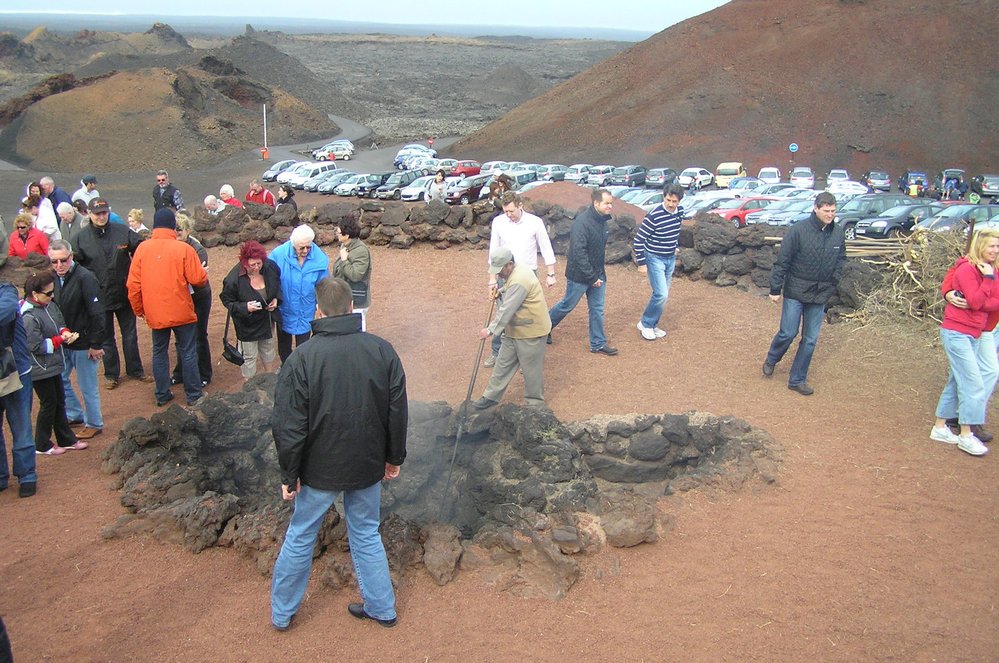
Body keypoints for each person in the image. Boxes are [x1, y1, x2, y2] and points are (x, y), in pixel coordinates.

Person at [271, 277, 408, 631]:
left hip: (319, 469)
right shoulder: (382, 350)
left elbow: (290, 424)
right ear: (351, 308)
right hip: (366, 463)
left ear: (319, 311)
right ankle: (383, 608)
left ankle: (282, 614)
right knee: (365, 531)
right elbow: (397, 410)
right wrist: (394, 457)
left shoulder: (301, 358)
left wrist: (290, 474)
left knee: (302, 533)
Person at [762, 191, 845, 395]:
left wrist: (833, 281)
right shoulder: (798, 231)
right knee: (788, 332)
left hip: (821, 293)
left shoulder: (838, 233)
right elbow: (783, 261)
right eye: (826, 210)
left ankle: (797, 379)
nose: (830, 214)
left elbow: (842, 259)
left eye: (833, 211)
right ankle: (773, 357)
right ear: (816, 208)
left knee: (810, 339)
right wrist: (775, 288)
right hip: (796, 290)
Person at [126, 208, 209, 408]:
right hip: (181, 310)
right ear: (173, 226)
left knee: (159, 352)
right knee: (188, 351)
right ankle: (194, 394)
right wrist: (203, 273)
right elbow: (198, 279)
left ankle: (162, 393)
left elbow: (133, 286)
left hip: (156, 313)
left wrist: (140, 310)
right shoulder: (184, 249)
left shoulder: (143, 249)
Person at [929, 229, 999, 456]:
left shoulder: (990, 269)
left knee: (958, 380)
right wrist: (986, 280)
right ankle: (966, 433)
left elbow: (980, 302)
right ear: (980, 246)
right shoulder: (969, 268)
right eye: (992, 246)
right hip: (959, 331)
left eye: (997, 247)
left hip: (977, 330)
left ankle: (940, 427)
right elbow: (977, 300)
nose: (995, 251)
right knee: (973, 382)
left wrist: (980, 298)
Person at [75, 197, 150, 390]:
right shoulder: (81, 238)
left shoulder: (122, 231)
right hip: (99, 296)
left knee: (130, 334)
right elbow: (75, 266)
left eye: (104, 213)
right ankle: (111, 374)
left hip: (124, 293)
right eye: (97, 213)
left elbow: (142, 248)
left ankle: (135, 370)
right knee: (106, 337)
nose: (101, 217)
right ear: (90, 214)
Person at [472, 248, 551, 409]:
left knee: (531, 371)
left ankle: (535, 404)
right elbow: (509, 290)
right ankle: (490, 397)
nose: (498, 274)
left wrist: (490, 330)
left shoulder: (519, 279)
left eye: (500, 270)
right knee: (502, 364)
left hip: (531, 332)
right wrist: (500, 291)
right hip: (513, 331)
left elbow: (507, 309)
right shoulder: (515, 272)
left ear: (509, 264)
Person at [484, 191, 557, 366]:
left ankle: (526, 358)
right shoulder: (499, 222)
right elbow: (493, 251)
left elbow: (546, 247)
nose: (508, 215)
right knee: (503, 312)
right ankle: (497, 352)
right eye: (505, 211)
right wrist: (492, 279)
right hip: (504, 275)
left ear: (520, 206)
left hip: (527, 275)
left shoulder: (535, 223)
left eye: (511, 211)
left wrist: (551, 273)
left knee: (527, 314)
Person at [20, 270, 87, 456]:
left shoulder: (49, 306)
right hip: (39, 368)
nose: (52, 296)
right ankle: (41, 443)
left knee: (59, 401)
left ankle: (65, 439)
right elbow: (36, 346)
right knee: (49, 403)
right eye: (48, 293)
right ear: (34, 294)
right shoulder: (28, 316)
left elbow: (58, 322)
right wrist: (61, 339)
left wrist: (64, 331)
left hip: (52, 364)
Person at [548, 188, 618, 356]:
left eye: (611, 203)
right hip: (580, 275)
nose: (610, 207)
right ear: (596, 203)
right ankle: (543, 327)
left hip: (597, 274)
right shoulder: (582, 222)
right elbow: (578, 253)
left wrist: (598, 275)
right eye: (607, 203)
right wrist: (592, 277)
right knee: (567, 305)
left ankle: (598, 343)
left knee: (597, 309)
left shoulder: (602, 221)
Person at [49, 240, 106, 440]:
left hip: (84, 342)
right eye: (54, 262)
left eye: (63, 260)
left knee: (87, 385)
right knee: (61, 379)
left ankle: (94, 423)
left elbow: (98, 313)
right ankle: (74, 413)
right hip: (63, 341)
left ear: (71, 257)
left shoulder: (85, 277)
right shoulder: (54, 279)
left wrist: (96, 344)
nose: (59, 265)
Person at [220, 241, 281, 381]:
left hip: (267, 320)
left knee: (268, 350)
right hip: (247, 326)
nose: (256, 267)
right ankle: (249, 384)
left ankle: (269, 378)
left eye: (259, 263)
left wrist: (276, 299)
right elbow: (227, 301)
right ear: (245, 262)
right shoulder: (233, 279)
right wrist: (245, 307)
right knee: (249, 356)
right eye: (252, 265)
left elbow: (277, 285)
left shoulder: (270, 267)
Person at [0, 278, 38, 497]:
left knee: (21, 424)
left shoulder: (6, 290)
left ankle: (27, 475)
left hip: (16, 371)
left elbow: (6, 311)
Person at [633, 183, 685, 341]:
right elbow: (638, 240)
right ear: (664, 197)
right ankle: (646, 324)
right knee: (661, 293)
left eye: (674, 201)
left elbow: (675, 231)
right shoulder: (654, 215)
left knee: (663, 295)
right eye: (668, 200)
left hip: (670, 257)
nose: (670, 204)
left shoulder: (680, 212)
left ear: (679, 201)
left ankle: (652, 324)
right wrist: (642, 263)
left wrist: (674, 246)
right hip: (654, 257)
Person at [269, 225, 328, 364]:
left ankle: (302, 371)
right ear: (293, 244)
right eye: (302, 248)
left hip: (305, 310)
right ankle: (286, 368)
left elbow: (324, 285)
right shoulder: (278, 254)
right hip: (284, 308)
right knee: (284, 345)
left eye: (309, 247)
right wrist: (274, 297)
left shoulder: (320, 258)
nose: (306, 250)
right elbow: (270, 279)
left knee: (304, 346)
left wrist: (322, 306)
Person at [170, 212, 212, 387]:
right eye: (174, 230)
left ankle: (204, 373)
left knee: (199, 335)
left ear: (187, 230)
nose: (177, 232)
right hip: (180, 297)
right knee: (181, 336)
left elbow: (194, 279)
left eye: (180, 229)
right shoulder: (171, 247)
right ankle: (181, 372)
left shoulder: (197, 249)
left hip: (199, 298)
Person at [331, 214, 372, 330]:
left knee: (358, 333)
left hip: (357, 301)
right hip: (346, 298)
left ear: (347, 235)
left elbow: (356, 275)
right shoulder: (345, 246)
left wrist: (344, 260)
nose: (337, 234)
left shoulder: (361, 251)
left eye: (338, 233)